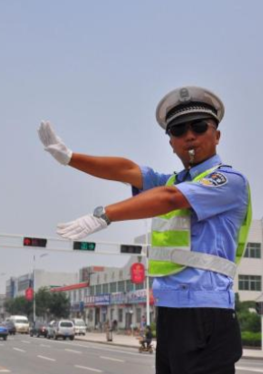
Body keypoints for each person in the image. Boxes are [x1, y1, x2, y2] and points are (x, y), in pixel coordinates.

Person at [38, 86, 251, 374]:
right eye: (178, 130)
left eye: (199, 127)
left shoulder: (228, 181)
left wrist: (104, 215)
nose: (189, 135)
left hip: (207, 312)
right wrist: (69, 157)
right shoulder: (172, 179)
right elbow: (128, 169)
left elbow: (170, 198)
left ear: (217, 135)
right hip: (171, 312)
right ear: (171, 143)